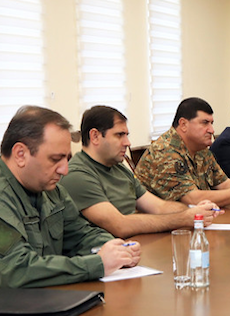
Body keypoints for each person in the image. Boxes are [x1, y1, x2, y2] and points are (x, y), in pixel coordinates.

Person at [0, 106, 140, 288]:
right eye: (54, 159)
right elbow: (17, 269)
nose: (64, 170)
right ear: (20, 154)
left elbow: (80, 234)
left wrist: (116, 249)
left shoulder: (50, 190)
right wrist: (97, 264)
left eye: (66, 159)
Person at [60, 106, 222, 238]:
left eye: (127, 135)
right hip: (109, 254)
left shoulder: (119, 168)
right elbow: (119, 226)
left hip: (139, 244)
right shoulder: (78, 175)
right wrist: (185, 218)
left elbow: (159, 207)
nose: (127, 143)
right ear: (95, 136)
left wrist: (195, 211)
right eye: (119, 135)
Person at [134, 97, 230, 206]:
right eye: (205, 123)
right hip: (160, 229)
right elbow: (192, 199)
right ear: (183, 124)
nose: (211, 130)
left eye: (211, 123)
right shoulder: (165, 152)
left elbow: (224, 183)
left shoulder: (201, 148)